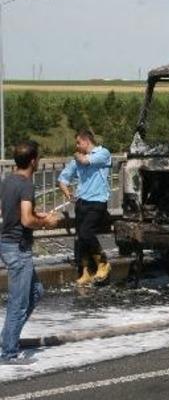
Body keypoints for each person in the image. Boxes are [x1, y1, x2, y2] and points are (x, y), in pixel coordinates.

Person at [0, 141, 60, 365]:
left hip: (7, 243)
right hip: (18, 248)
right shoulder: (26, 184)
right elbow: (25, 220)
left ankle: (8, 338)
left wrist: (38, 214)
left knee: (36, 291)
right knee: (19, 302)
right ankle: (8, 352)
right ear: (34, 161)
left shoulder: (8, 180)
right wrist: (46, 223)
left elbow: (9, 210)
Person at [58, 128, 112, 287]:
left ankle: (103, 263)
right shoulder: (77, 158)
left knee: (87, 232)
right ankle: (86, 272)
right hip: (82, 202)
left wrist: (77, 157)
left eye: (78, 142)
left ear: (87, 141)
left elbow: (85, 161)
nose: (76, 145)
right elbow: (63, 178)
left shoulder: (103, 153)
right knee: (80, 238)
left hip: (97, 201)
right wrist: (67, 192)